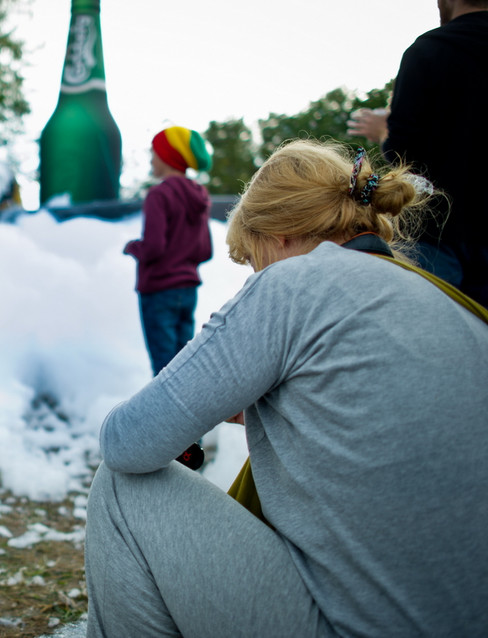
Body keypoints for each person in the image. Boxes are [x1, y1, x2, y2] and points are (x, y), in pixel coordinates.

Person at [84, 140, 488, 637]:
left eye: (252, 259)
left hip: (354, 626)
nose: (255, 275)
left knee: (121, 487)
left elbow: (127, 442)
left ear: (278, 235)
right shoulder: (449, 305)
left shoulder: (294, 283)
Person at [346, 0, 488, 307]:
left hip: (436, 234)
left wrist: (383, 131)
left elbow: (403, 152)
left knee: (436, 339)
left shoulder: (427, 51)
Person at [124, 126, 212, 376]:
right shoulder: (200, 195)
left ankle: (164, 417)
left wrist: (133, 247)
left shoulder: (159, 195)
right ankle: (192, 415)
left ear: (167, 156)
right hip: (188, 291)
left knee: (163, 373)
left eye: (154, 152)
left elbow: (153, 248)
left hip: (159, 291)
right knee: (183, 369)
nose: (151, 158)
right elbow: (206, 251)